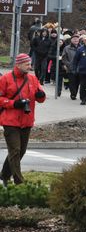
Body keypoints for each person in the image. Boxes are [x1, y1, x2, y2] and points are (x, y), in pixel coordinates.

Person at [0, 54, 46, 185]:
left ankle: (4, 174)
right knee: (15, 151)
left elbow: (41, 98)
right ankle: (19, 182)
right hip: (10, 121)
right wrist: (14, 104)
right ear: (18, 64)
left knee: (21, 151)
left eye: (30, 64)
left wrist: (41, 95)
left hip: (26, 121)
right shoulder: (6, 79)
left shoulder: (32, 78)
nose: (30, 67)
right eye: (27, 64)